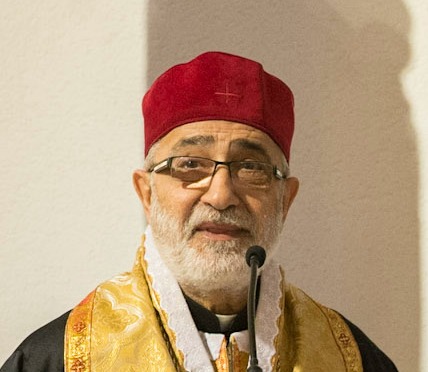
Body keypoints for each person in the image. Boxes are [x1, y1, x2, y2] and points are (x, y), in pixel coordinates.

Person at [1, 51, 397, 372]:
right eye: (190, 165)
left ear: (286, 199)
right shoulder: (58, 359)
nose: (221, 195)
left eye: (252, 168)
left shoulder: (351, 360)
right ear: (146, 193)